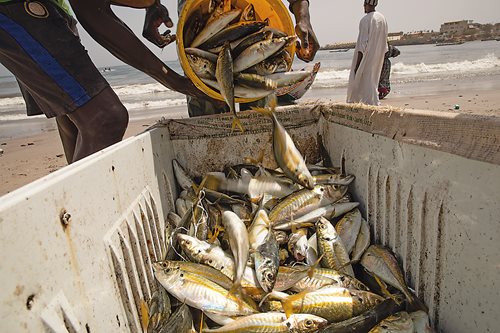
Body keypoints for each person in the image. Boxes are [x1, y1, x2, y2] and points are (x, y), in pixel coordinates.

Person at [0, 0, 209, 164]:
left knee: (72, 118)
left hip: (53, 9)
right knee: (105, 118)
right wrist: (172, 80)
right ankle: (74, 213)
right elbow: (94, 13)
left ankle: (77, 203)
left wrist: (151, 6)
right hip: (14, 10)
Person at [177, 0, 320, 117]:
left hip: (249, 29)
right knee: (208, 121)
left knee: (259, 117)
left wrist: (303, 17)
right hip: (196, 9)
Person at [346, 0, 388, 106]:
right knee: (372, 81)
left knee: (362, 81)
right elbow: (385, 42)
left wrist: (357, 65)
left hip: (367, 56)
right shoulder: (382, 18)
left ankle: (368, 105)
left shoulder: (365, 20)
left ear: (368, 4)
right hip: (379, 55)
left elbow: (362, 45)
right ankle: (373, 103)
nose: (363, 6)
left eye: (365, 4)